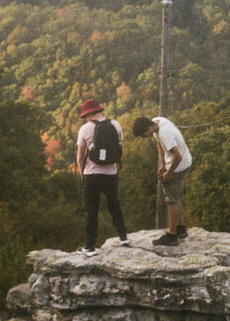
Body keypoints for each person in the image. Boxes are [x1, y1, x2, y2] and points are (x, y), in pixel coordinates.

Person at [76, 97, 129, 257]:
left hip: (91, 175)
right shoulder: (115, 125)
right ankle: (123, 237)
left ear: (88, 114)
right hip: (111, 174)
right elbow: (120, 151)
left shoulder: (85, 129)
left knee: (91, 210)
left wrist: (82, 173)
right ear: (99, 110)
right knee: (114, 205)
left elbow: (80, 155)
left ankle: (89, 247)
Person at [132, 115, 192, 246]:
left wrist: (169, 173)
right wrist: (163, 165)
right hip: (184, 162)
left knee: (171, 200)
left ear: (149, 128)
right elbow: (159, 144)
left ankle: (172, 235)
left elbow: (177, 155)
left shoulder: (165, 133)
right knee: (176, 196)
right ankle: (181, 229)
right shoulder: (157, 121)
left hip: (179, 165)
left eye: (144, 134)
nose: (144, 137)